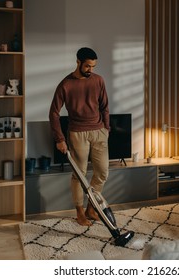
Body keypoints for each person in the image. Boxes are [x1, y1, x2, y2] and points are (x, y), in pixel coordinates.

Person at [49, 47, 110, 226]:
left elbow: (105, 106)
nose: (91, 70)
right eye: (88, 66)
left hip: (99, 132)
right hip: (77, 133)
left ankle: (92, 207)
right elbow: (53, 113)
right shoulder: (65, 84)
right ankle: (79, 212)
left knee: (102, 172)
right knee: (79, 175)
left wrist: (107, 128)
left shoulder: (98, 80)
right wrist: (59, 139)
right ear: (78, 62)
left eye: (93, 66)